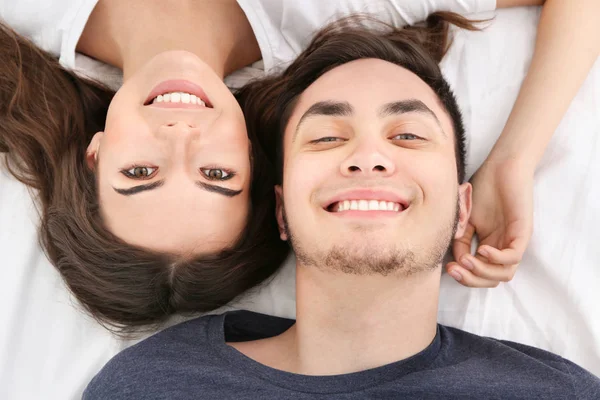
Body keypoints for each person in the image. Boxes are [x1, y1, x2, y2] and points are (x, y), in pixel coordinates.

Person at [83, 19, 600, 399]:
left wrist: (511, 161)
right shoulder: (152, 385)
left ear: (463, 209)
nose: (369, 158)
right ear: (281, 211)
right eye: (328, 137)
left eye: (409, 135)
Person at [0, 0, 495, 331]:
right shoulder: (328, 10)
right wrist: (513, 158)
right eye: (216, 175)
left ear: (95, 154)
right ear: (255, 160)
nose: (181, 137)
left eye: (140, 173)